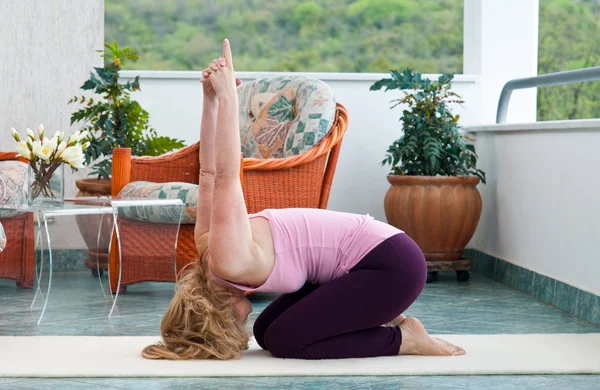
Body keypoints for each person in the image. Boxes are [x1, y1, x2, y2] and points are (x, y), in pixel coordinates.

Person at [142, 39, 466, 361]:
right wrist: (209, 100)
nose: (239, 330)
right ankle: (376, 313)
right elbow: (209, 174)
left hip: (392, 267)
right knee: (266, 331)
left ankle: (403, 338)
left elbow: (226, 176)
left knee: (285, 341)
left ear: (215, 318)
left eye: (228, 330)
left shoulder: (228, 258)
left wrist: (227, 96)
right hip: (366, 265)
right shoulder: (208, 251)